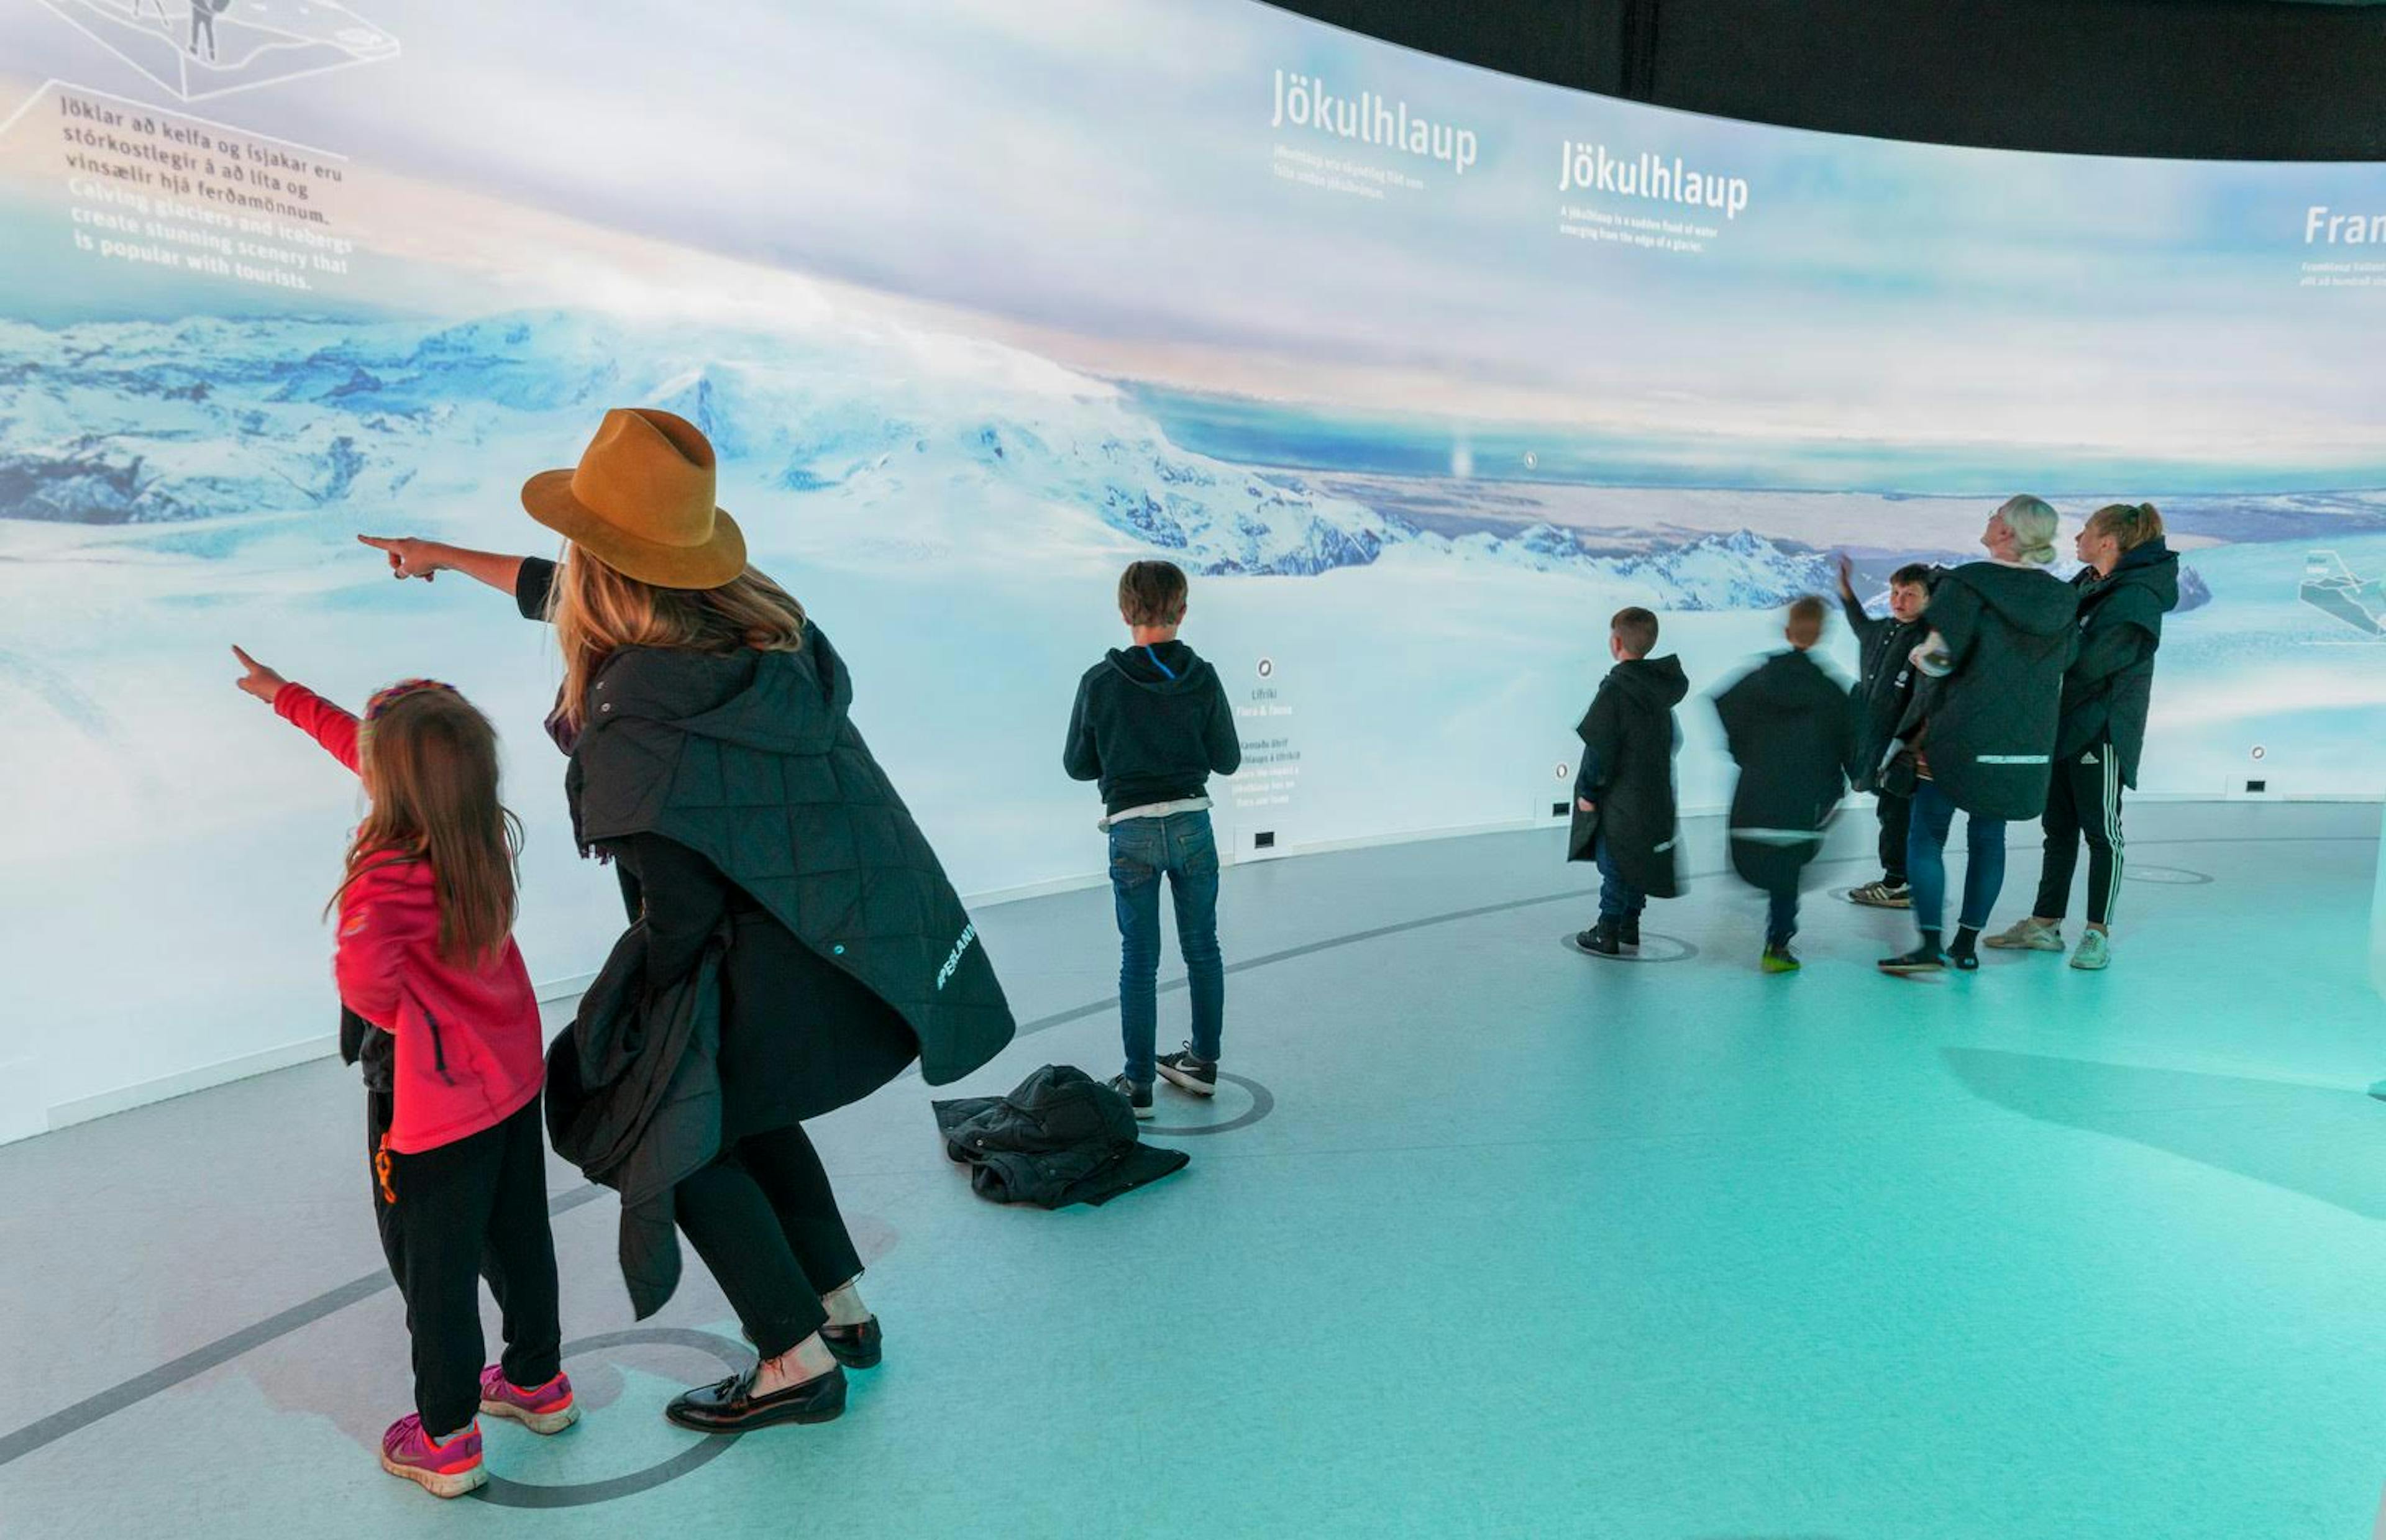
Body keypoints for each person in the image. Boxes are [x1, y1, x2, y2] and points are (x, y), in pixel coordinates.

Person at [358, 406, 1016, 1434]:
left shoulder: (641, 726)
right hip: (870, 958)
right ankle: (839, 1307)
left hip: (794, 965)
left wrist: (629, 1030)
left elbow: (680, 914)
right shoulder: (758, 636)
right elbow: (563, 594)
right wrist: (443, 555)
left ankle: (792, 1359)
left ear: (609, 573)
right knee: (736, 1101)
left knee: (658, 1118)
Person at [231, 652, 571, 1500]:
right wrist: (288, 699)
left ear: (396, 780)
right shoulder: (474, 823)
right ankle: (536, 1381)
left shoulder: (385, 871)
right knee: (520, 1234)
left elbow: (366, 986)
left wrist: (414, 1024)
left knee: (434, 1267)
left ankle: (447, 1435)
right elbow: (375, 749)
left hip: (426, 1103)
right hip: (507, 1076)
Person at [1062, 560, 1243, 1119]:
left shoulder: (1099, 681)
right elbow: (1228, 760)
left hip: (1131, 828)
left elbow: (1077, 764)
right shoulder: (1203, 676)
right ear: (1182, 611)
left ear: (1124, 613)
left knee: (1138, 959)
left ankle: (1138, 1085)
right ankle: (1203, 1063)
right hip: (1193, 824)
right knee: (1203, 947)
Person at [1877, 496, 2081, 975]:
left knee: (1926, 835)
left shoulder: (1966, 585)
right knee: (1990, 837)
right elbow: (2069, 660)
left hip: (1958, 736)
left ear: (2008, 532)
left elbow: (1941, 660)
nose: (1988, 519)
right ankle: (1966, 945)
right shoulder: (2061, 598)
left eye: (1995, 513)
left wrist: (1916, 659)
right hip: (2022, 745)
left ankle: (1929, 947)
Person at [1986, 502, 2178, 970]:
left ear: (2108, 542)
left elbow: (2091, 662)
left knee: (2103, 833)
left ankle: (2097, 934)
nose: (2077, 539)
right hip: (2066, 725)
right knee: (2059, 831)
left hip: (2103, 731)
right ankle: (2044, 923)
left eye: (2086, 531)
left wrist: (2049, 645)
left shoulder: (2135, 598)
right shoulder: (2092, 584)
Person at [1714, 596, 1852, 973]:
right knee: (1788, 873)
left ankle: (1774, 930)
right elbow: (1850, 744)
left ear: (1787, 631)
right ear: (1823, 633)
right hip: (1805, 796)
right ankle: (1778, 944)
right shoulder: (1832, 691)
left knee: (1762, 854)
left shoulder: (1756, 680)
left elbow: (1723, 706)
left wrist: (1745, 756)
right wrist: (1837, 785)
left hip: (1757, 790)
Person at [1570, 606, 1688, 955]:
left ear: (1616, 642)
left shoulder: (1616, 690)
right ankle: (1630, 924)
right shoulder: (1658, 691)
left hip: (1621, 798)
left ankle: (1607, 928)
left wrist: (1589, 792)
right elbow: (1674, 739)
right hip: (1654, 794)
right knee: (1639, 859)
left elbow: (1599, 747)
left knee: (1615, 862)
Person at [1837, 557, 1934, 908]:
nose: (1898, 600)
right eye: (1895, 592)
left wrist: (1905, 743)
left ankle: (1897, 882)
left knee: (1897, 811)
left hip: (1904, 745)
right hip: (1874, 740)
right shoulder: (1879, 631)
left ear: (1928, 599)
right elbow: (1858, 623)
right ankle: (1901, 876)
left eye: (1909, 594)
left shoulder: (1928, 640)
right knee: (1890, 810)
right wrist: (1846, 593)